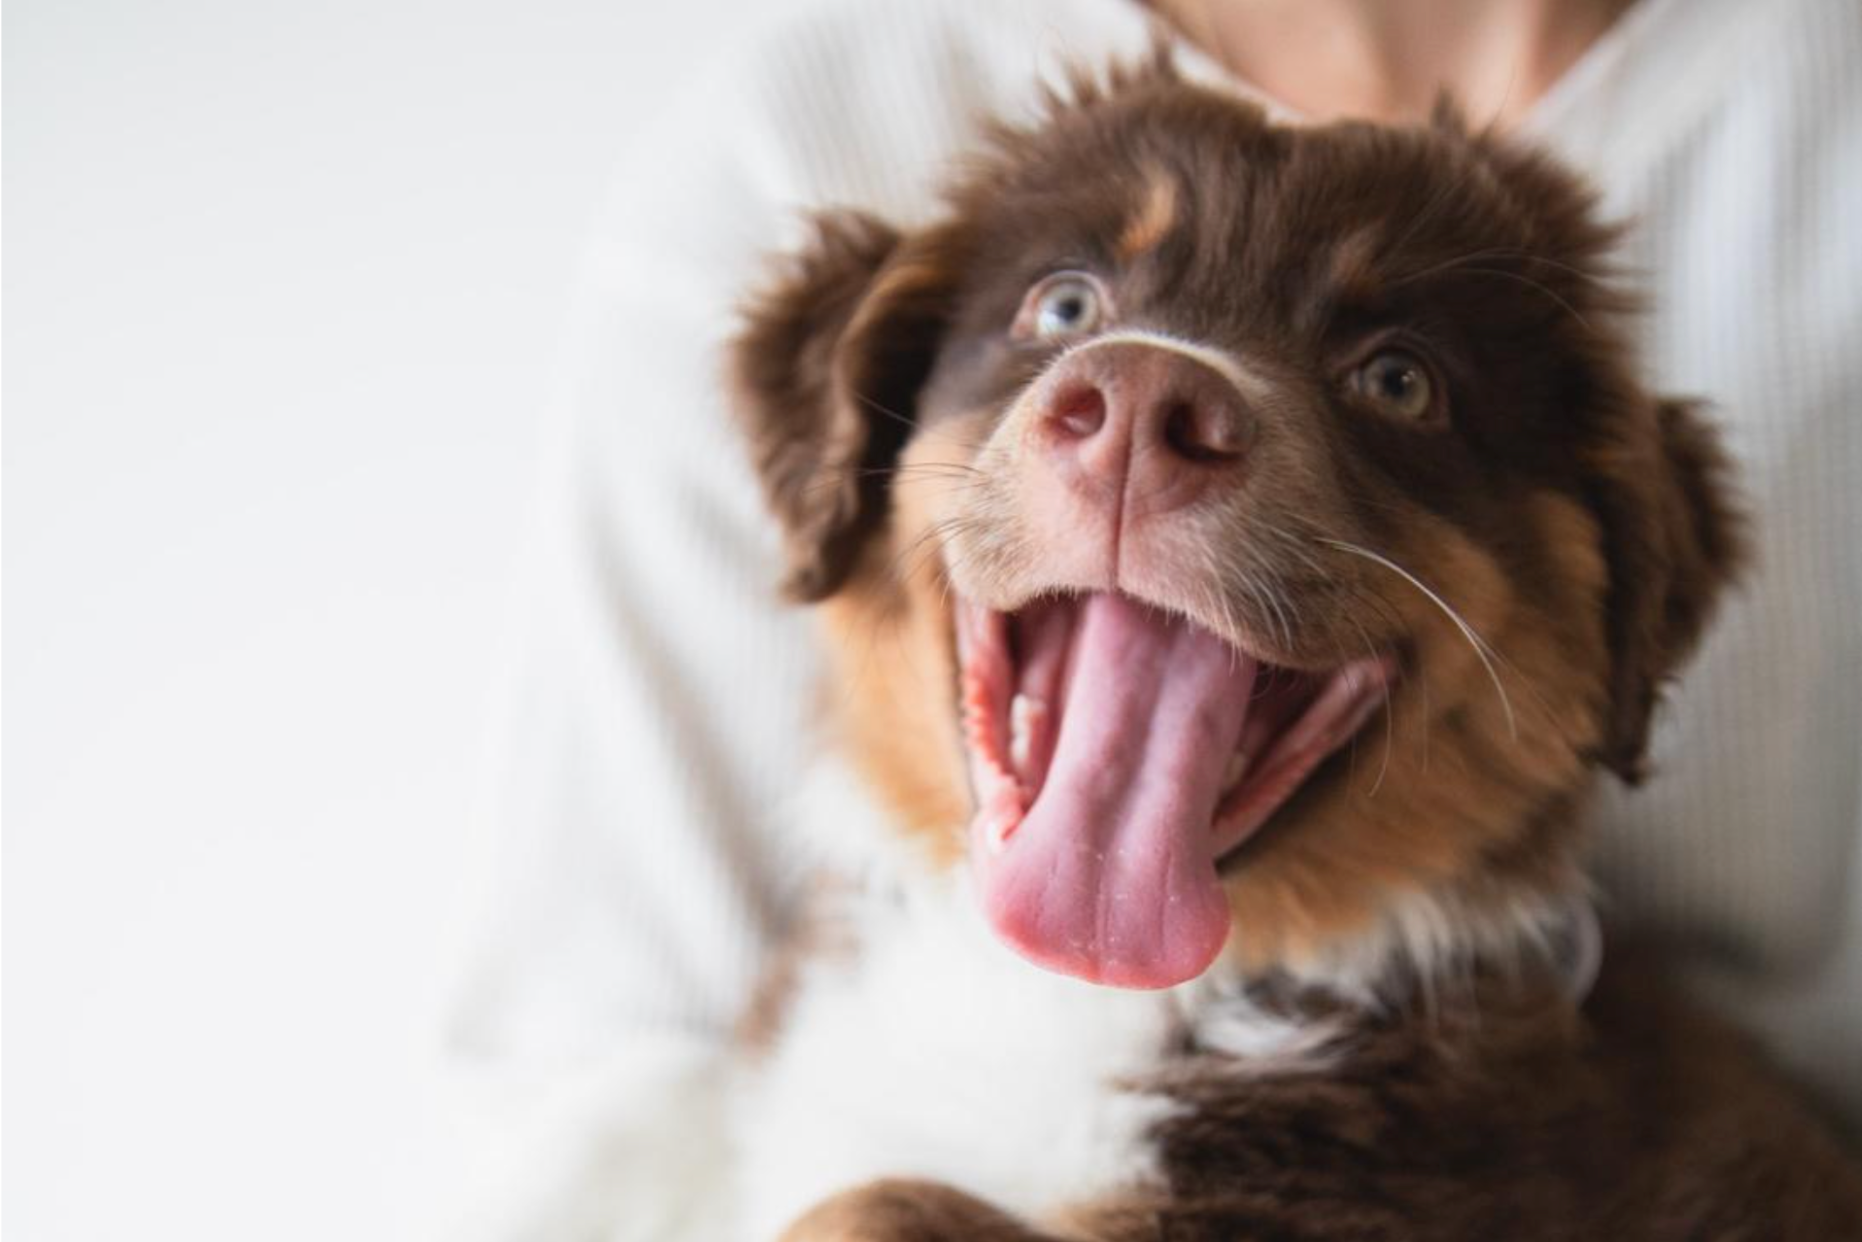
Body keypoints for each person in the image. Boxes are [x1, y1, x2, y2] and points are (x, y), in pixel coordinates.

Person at [443, 1, 1862, 1236]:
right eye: (1063, 308)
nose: (1145, 403)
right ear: (848, 459)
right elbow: (588, 1057)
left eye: (1397, 384)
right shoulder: (811, 110)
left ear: (1615, 604)